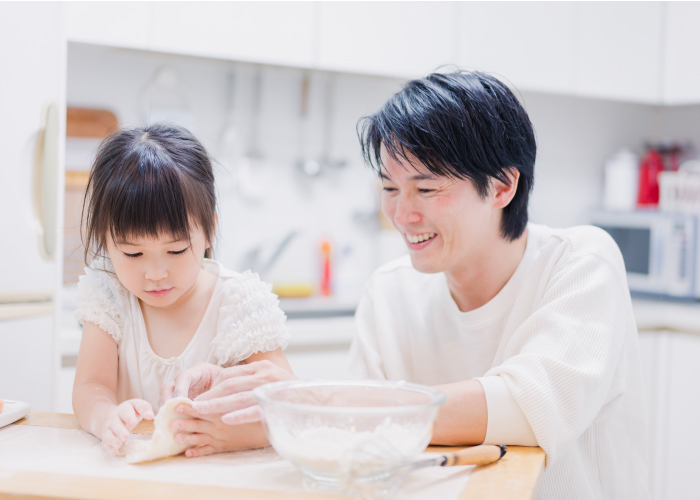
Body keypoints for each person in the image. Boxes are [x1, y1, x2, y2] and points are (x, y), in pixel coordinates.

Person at [166, 70, 649, 500]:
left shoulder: (581, 263)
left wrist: (314, 397)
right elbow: (364, 441)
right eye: (390, 188)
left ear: (503, 186)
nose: (401, 214)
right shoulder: (391, 292)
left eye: (427, 188)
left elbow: (527, 408)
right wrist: (255, 415)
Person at [72, 124, 293, 458]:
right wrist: (105, 416)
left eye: (175, 251)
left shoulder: (237, 302)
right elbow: (91, 386)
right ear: (106, 240)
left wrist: (237, 433)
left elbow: (288, 400)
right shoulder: (109, 295)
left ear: (209, 231)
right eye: (133, 253)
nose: (156, 273)